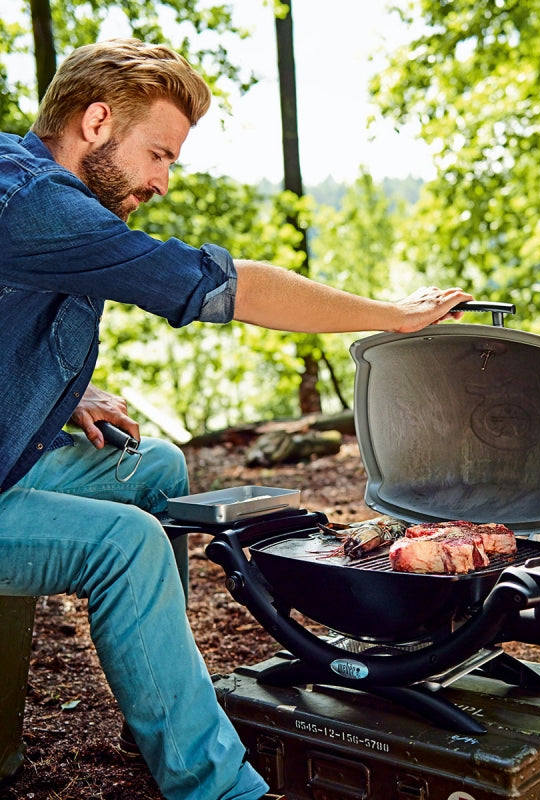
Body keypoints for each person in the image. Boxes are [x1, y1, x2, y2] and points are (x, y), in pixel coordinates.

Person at [0, 38, 473, 800]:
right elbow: (232, 289)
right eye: (158, 154)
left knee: (157, 469)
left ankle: (156, 708)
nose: (161, 182)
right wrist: (389, 315)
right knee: (130, 545)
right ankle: (221, 790)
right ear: (94, 123)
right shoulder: (41, 208)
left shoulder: (23, 183)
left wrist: (66, 394)